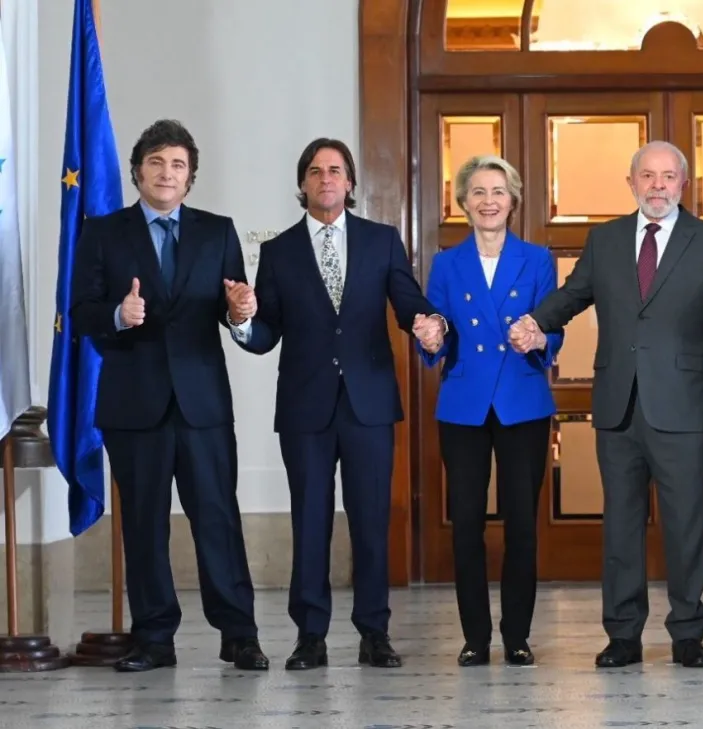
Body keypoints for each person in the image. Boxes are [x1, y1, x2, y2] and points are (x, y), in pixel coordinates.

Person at [510, 140, 703, 669]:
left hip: (685, 408)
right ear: (631, 183)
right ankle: (622, 634)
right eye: (647, 176)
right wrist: (537, 322)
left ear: (683, 185)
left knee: (687, 523)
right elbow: (573, 294)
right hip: (618, 405)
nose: (658, 186)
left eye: (669, 177)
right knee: (621, 524)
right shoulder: (605, 239)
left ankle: (688, 634)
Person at [226, 138, 445, 670]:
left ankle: (375, 632)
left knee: (371, 521)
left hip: (369, 403)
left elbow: (407, 301)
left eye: (337, 170)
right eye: (316, 171)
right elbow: (266, 331)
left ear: (350, 184)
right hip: (306, 409)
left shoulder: (381, 240)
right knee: (310, 520)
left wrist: (428, 325)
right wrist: (241, 318)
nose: (326, 179)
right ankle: (310, 636)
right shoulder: (278, 252)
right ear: (302, 184)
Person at [70, 119, 268, 672]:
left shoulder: (217, 231)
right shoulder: (104, 233)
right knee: (144, 524)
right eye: (156, 161)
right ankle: (154, 638)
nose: (166, 172)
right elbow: (80, 314)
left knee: (218, 519)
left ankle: (239, 635)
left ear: (190, 178)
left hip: (202, 404)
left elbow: (234, 306)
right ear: (138, 172)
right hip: (135, 407)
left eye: (178, 164)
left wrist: (240, 313)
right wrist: (117, 314)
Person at [417, 155, 564, 667]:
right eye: (478, 192)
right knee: (467, 524)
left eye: (498, 191)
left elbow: (554, 324)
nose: (488, 201)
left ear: (513, 200)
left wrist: (541, 337)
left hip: (523, 402)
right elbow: (434, 330)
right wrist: (431, 336)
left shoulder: (538, 258)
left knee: (522, 523)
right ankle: (475, 637)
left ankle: (517, 635)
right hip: (464, 405)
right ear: (463, 203)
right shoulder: (446, 263)